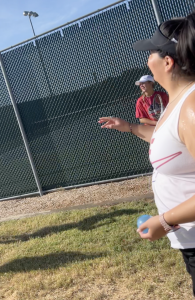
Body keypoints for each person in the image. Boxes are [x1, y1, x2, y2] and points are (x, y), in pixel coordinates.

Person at [98, 12, 195, 296]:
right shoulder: (179, 103)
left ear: (168, 61)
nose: (147, 60)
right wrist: (129, 127)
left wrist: (165, 220)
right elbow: (173, 144)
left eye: (152, 52)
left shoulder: (190, 108)